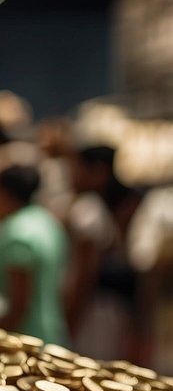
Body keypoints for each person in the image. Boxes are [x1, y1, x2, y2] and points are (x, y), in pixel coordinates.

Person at [64, 144, 146, 361]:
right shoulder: (101, 207)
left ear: (98, 172)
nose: (71, 174)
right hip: (106, 311)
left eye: (77, 168)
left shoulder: (88, 209)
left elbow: (85, 274)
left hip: (94, 313)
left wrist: (71, 318)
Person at [0, 165, 69, 346]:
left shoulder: (17, 232)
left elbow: (18, 305)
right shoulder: (47, 221)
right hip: (51, 330)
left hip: (24, 339)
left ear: (3, 194)